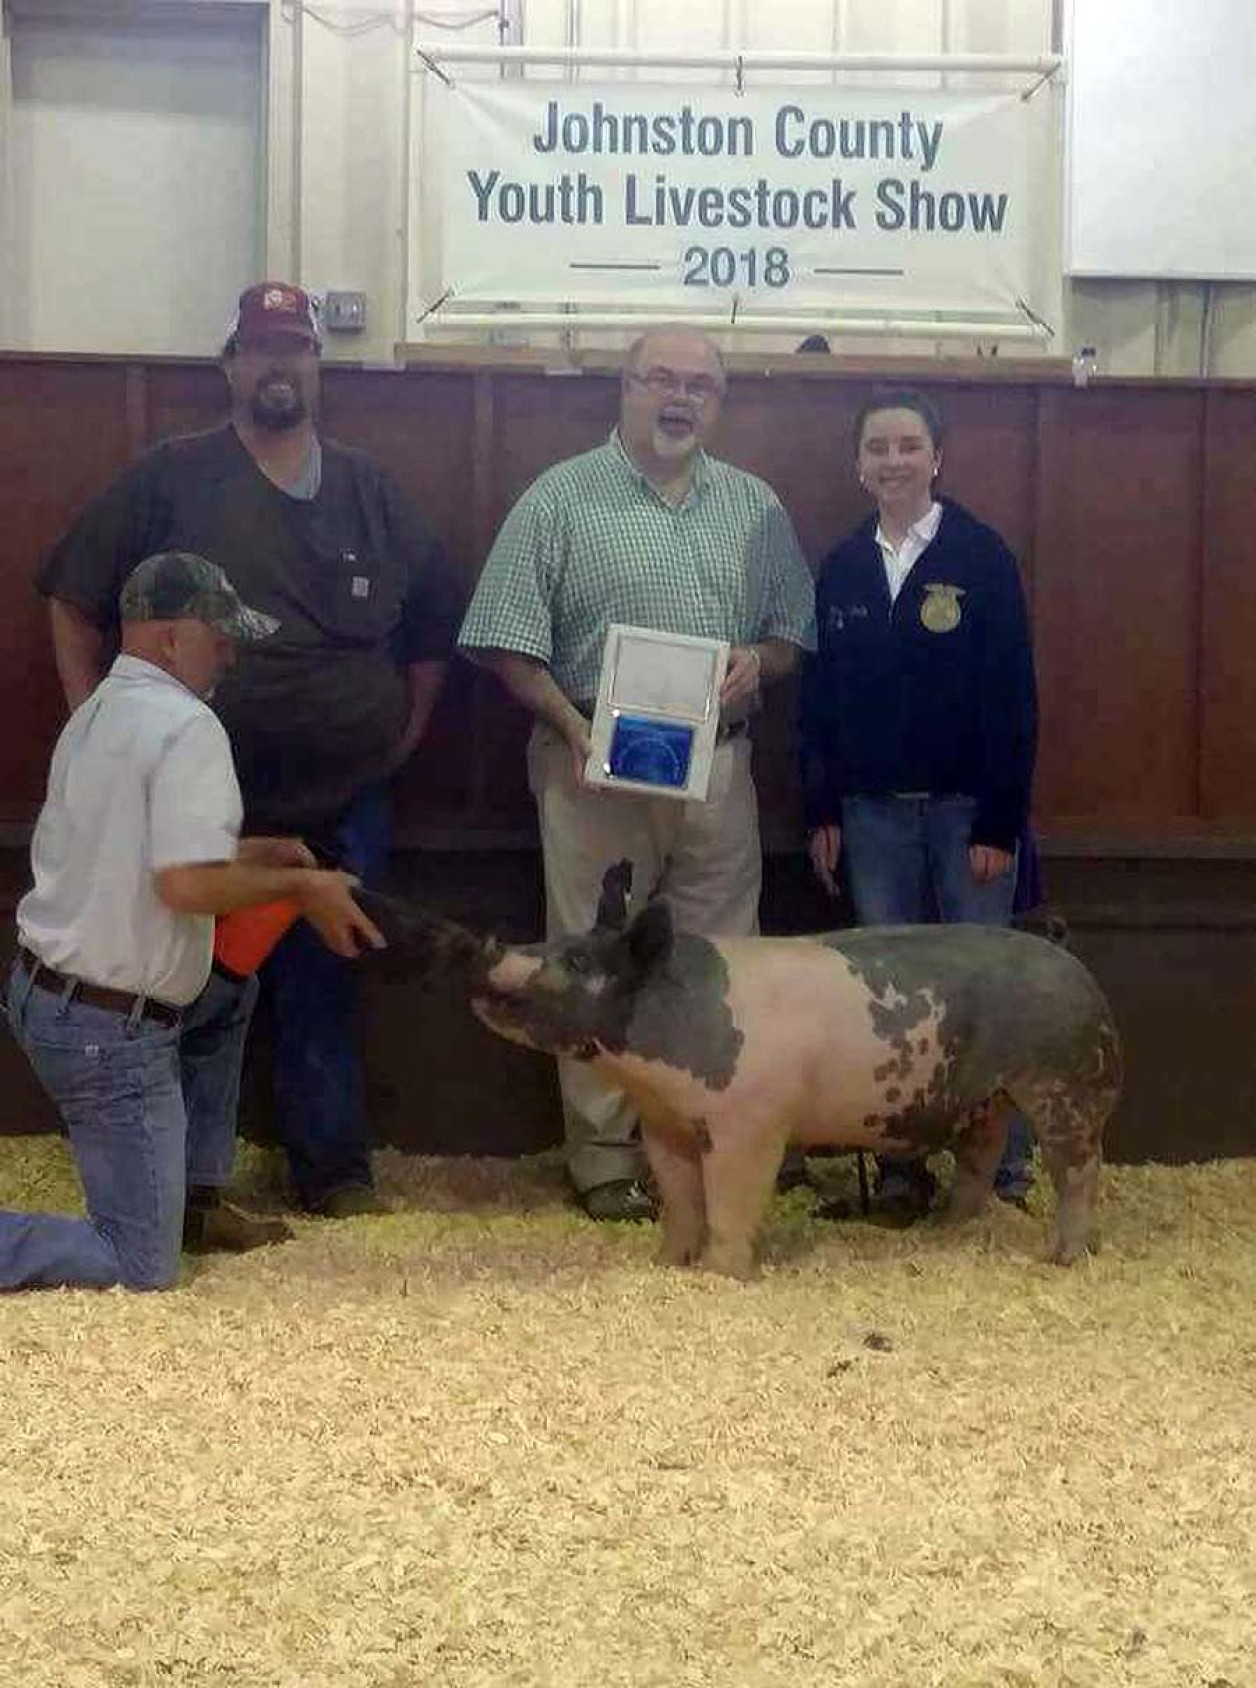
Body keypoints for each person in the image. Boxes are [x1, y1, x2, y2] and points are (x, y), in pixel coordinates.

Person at [36, 282, 461, 1218]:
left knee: (327, 981)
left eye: (296, 348)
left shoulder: (369, 489)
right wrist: (93, 722)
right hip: (202, 799)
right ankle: (186, 1191)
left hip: (344, 796)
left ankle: (333, 1175)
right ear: (230, 367)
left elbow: (435, 620)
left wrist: (405, 733)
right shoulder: (170, 476)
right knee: (192, 998)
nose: (280, 365)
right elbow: (73, 592)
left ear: (318, 365)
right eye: (261, 349)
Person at [458, 326, 816, 1221]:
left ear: (719, 403)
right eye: (662, 378)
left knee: (719, 960)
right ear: (624, 387)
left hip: (719, 767)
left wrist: (756, 664)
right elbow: (504, 642)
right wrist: (571, 725)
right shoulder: (561, 498)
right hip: (590, 767)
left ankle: (714, 1138)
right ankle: (605, 1161)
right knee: (589, 953)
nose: (681, 398)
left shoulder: (755, 506)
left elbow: (791, 635)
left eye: (701, 384)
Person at [1, 552, 385, 1292]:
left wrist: (252, 855)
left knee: (226, 995)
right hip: (107, 1033)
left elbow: (136, 849)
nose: (231, 654)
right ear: (172, 640)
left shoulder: (98, 714)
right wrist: (303, 887)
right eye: (219, 637)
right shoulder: (188, 727)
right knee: (138, 1261)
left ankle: (199, 1199)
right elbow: (182, 886)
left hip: (44, 995)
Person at [800, 388, 1039, 1222]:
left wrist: (1001, 821)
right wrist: (821, 810)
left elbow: (1013, 696)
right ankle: (901, 1172)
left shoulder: (980, 555)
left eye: (908, 445)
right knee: (887, 997)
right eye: (878, 448)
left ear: (937, 457)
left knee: (982, 991)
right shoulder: (842, 567)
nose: (893, 460)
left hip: (966, 814)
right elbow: (820, 703)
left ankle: (1000, 1171)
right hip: (870, 818)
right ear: (857, 464)